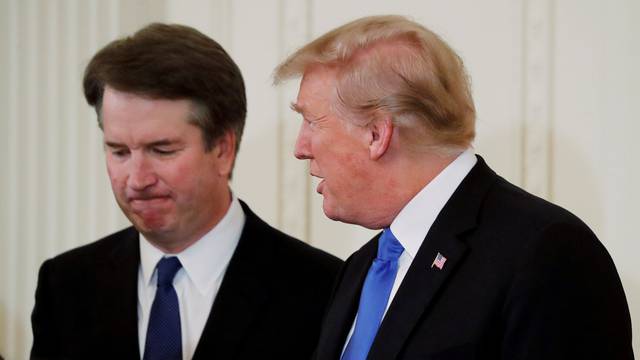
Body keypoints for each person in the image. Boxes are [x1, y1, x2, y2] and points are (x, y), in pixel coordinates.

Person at [273, 15, 633, 360]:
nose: (300, 148)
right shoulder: (361, 268)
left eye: (311, 121)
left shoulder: (547, 253)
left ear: (376, 134)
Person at [31, 23, 343, 360]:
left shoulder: (324, 291)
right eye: (119, 151)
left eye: (162, 150)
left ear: (223, 149)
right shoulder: (65, 285)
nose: (136, 179)